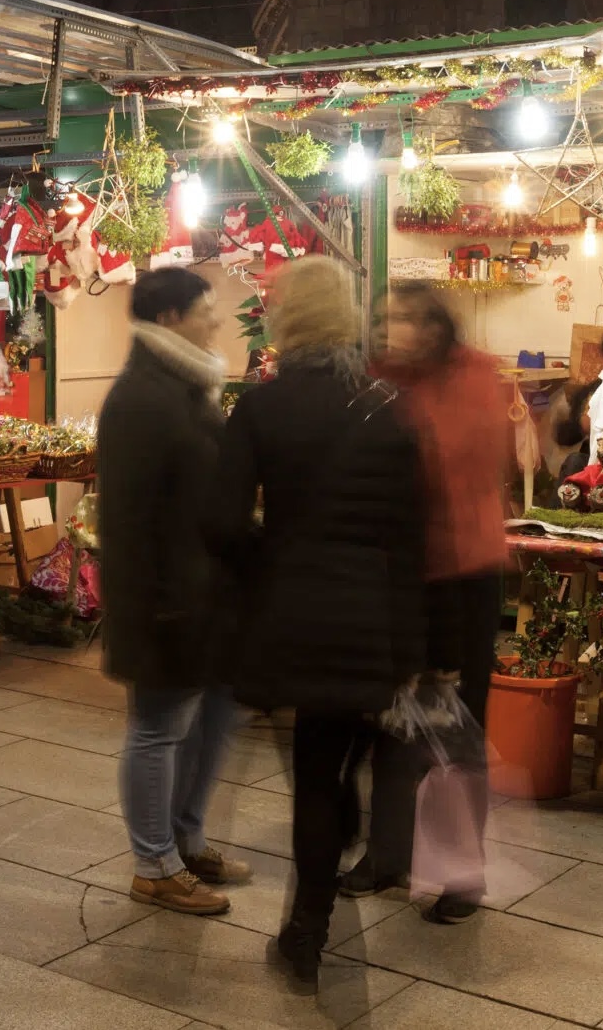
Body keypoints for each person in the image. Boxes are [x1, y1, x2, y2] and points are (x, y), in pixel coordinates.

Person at [210, 257, 430, 991]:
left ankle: (308, 929)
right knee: (341, 760)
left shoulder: (262, 410)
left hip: (294, 615)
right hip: (372, 618)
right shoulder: (390, 409)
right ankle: (344, 838)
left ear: (284, 319)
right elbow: (409, 538)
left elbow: (220, 520)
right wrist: (412, 644)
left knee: (312, 772)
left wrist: (268, 561)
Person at [344, 282, 511, 922]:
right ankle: (387, 855)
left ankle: (461, 875)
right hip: (395, 577)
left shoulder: (474, 378)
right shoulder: (376, 381)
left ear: (436, 326)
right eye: (382, 318)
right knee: (389, 719)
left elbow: (458, 467)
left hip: (460, 574)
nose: (390, 329)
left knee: (455, 728)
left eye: (405, 319)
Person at [95, 266, 248, 917]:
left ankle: (186, 835)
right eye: (205, 309)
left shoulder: (186, 384)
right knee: (157, 729)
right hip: (163, 600)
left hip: (205, 591)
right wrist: (154, 602)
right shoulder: (141, 398)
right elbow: (126, 521)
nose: (216, 318)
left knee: (217, 713)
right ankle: (154, 862)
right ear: (168, 319)